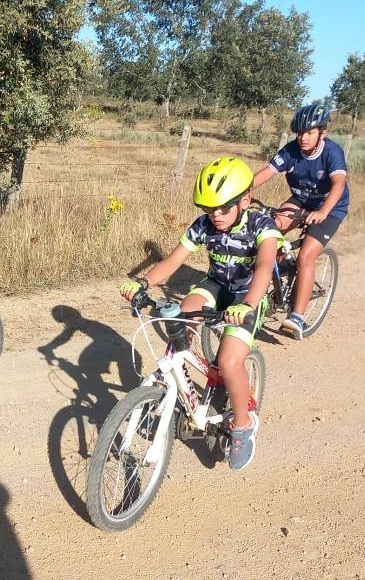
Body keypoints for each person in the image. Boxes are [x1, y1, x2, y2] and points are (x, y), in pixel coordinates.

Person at [120, 157, 282, 471]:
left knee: (229, 360)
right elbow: (173, 261)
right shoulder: (203, 225)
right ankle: (185, 382)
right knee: (179, 318)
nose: (216, 215)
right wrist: (142, 281)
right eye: (210, 209)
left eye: (223, 208)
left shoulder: (262, 225)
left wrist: (248, 304)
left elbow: (264, 267)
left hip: (249, 293)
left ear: (244, 200)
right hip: (217, 284)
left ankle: (243, 425)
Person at [250, 103, 350, 340]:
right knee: (269, 232)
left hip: (331, 207)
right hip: (301, 201)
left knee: (306, 256)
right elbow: (265, 173)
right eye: (300, 133)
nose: (303, 138)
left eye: (310, 133)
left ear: (322, 132)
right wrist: (240, 193)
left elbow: (338, 184)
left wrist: (324, 211)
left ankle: (297, 316)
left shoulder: (331, 152)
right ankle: (277, 271)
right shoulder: (291, 150)